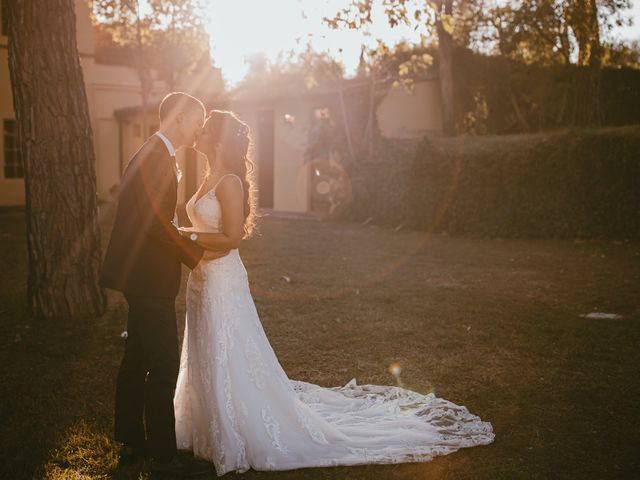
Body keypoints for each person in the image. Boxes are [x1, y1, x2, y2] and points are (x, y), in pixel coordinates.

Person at [174, 110, 495, 476]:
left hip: (222, 279)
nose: (196, 135)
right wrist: (186, 234)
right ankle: (207, 426)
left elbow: (232, 238)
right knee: (206, 348)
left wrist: (187, 238)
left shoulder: (229, 182)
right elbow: (206, 226)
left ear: (215, 138)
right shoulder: (207, 177)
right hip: (201, 278)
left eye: (202, 131)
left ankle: (234, 428)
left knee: (226, 349)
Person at [100, 92, 221, 476]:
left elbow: (158, 216)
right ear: (180, 118)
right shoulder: (154, 157)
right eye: (197, 120)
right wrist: (195, 256)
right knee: (165, 361)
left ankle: (132, 439)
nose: (199, 128)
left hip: (142, 274)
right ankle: (162, 451)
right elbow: (155, 224)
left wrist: (182, 235)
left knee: (137, 357)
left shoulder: (157, 153)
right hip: (148, 277)